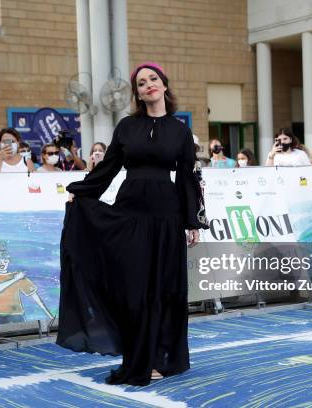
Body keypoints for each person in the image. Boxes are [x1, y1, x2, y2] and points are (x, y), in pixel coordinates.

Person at [58, 62, 208, 386]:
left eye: (153, 79)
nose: (148, 85)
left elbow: (186, 177)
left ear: (164, 85)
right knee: (133, 289)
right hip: (129, 213)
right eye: (141, 83)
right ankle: (136, 355)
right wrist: (79, 193)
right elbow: (108, 168)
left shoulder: (180, 131)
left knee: (162, 290)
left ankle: (159, 359)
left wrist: (192, 220)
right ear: (138, 93)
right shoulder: (126, 127)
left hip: (166, 217)